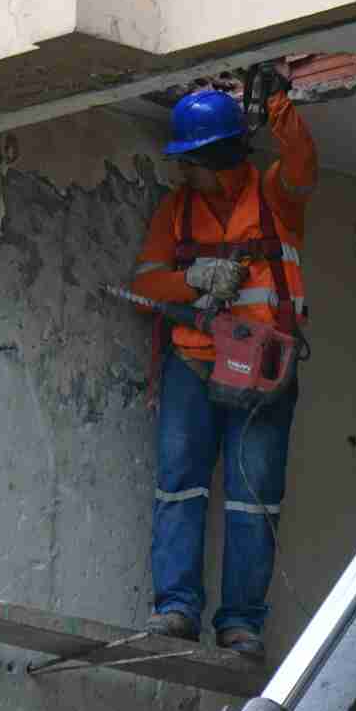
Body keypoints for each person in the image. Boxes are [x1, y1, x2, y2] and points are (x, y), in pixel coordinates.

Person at [131, 64, 316, 662]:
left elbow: (303, 161)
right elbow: (149, 285)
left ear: (214, 155)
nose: (183, 170)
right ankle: (176, 608)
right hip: (193, 363)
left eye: (190, 159)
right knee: (179, 486)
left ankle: (240, 623)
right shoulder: (177, 211)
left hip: (263, 369)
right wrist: (193, 279)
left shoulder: (275, 197)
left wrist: (280, 102)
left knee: (253, 497)